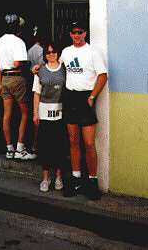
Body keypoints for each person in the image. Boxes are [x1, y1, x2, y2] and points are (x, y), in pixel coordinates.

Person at [60, 20, 108, 200]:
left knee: (89, 143)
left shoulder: (93, 52)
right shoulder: (66, 52)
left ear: (85, 33)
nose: (77, 35)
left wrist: (92, 97)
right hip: (70, 97)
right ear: (70, 34)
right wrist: (38, 69)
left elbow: (103, 76)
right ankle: (76, 178)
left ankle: (92, 181)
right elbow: (56, 67)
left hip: (85, 98)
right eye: (74, 32)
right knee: (73, 141)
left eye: (80, 32)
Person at [0, 14, 35, 160]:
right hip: (17, 77)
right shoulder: (19, 42)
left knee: (7, 115)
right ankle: (20, 148)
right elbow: (18, 63)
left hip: (4, 79)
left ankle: (9, 149)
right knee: (24, 113)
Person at [33, 42, 67, 192]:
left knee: (59, 146)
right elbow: (37, 93)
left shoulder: (65, 69)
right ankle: (45, 179)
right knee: (46, 147)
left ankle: (59, 177)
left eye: (54, 52)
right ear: (45, 55)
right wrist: (35, 113)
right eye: (48, 52)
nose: (51, 54)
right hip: (44, 112)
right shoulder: (40, 71)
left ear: (58, 53)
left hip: (60, 112)